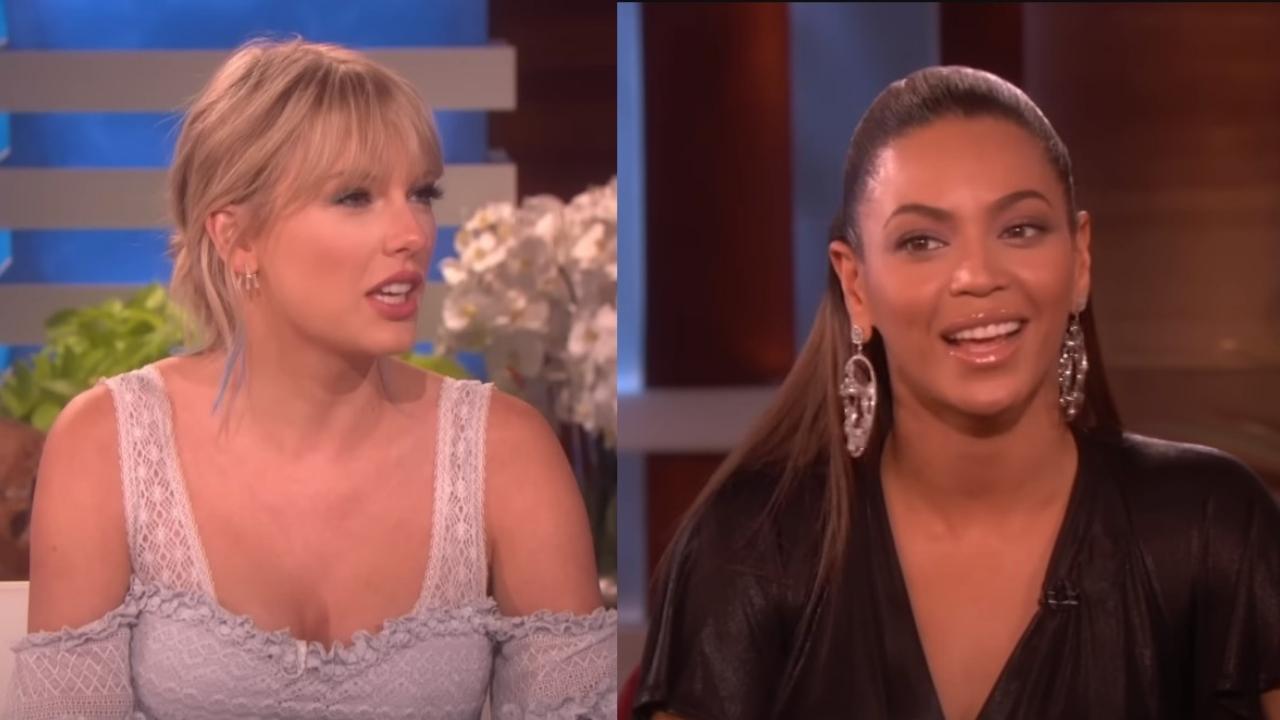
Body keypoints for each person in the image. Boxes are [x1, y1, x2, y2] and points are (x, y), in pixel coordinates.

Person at [633, 66, 1280, 720]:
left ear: (1080, 260)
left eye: (1020, 229)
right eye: (922, 241)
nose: (977, 275)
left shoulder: (1212, 526)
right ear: (856, 286)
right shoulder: (750, 547)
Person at [9, 39, 616, 719]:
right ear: (237, 237)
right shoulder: (107, 446)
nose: (413, 233)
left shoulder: (507, 454)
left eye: (421, 194)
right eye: (355, 197)